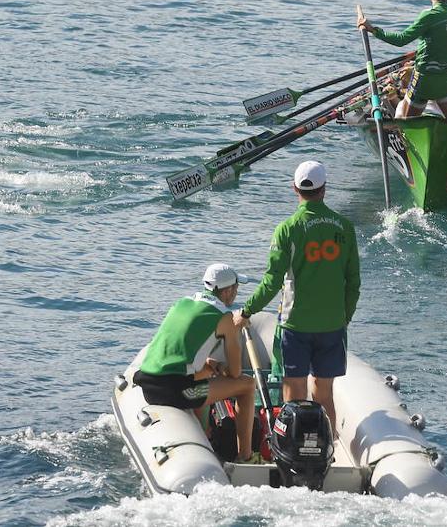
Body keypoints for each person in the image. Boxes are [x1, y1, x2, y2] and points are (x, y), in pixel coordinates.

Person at [234, 161, 361, 438]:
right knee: (324, 392)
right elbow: (353, 282)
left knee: (294, 390)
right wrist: (344, 317)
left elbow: (272, 282)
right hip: (332, 325)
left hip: (296, 326)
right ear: (324, 189)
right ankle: (327, 443)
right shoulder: (344, 227)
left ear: (295, 188)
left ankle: (293, 442)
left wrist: (246, 311)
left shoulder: (287, 229)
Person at [133, 263, 257, 463]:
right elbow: (235, 373)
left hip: (149, 385)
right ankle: (246, 456)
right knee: (247, 385)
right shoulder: (225, 318)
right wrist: (226, 360)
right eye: (236, 287)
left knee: (205, 370)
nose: (236, 292)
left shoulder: (182, 303)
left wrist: (212, 365)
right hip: (180, 393)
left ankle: (204, 433)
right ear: (227, 291)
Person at [358, 0, 447, 121]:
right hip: (445, 82)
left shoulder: (429, 15)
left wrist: (373, 30)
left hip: (423, 80)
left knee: (408, 126)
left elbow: (401, 40)